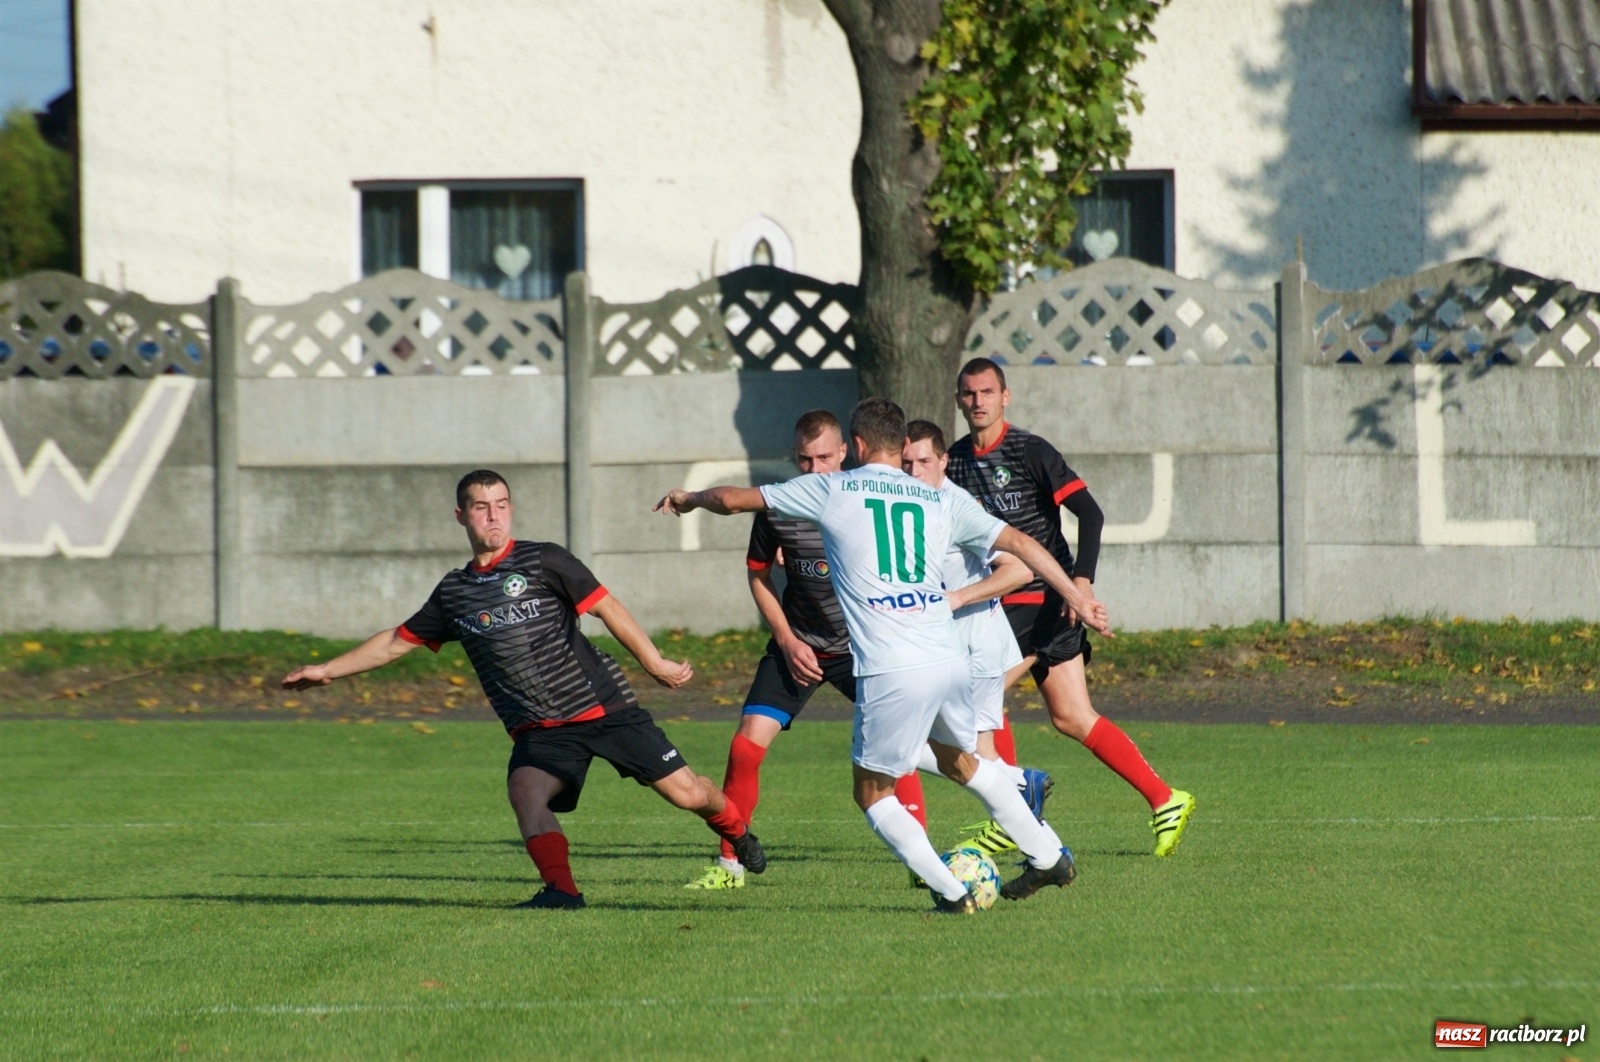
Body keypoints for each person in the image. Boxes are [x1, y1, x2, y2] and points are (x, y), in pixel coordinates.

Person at [656, 398, 1111, 913]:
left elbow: (733, 499)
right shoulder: (941, 497)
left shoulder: (834, 488)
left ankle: (951, 892)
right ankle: (1048, 855)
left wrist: (690, 497)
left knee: (872, 794)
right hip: (948, 654)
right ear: (900, 446)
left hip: (891, 665)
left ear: (855, 447)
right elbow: (1024, 545)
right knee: (962, 762)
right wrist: (1077, 596)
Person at [281, 469, 765, 910]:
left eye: (501, 504)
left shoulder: (543, 559)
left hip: (604, 709)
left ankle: (736, 831)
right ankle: (562, 891)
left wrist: (653, 661)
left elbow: (606, 606)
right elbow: (394, 642)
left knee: (687, 794)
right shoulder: (454, 592)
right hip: (540, 729)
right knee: (524, 791)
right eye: (480, 506)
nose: (493, 515)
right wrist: (326, 670)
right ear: (460, 516)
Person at [946, 358, 1196, 858]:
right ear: (959, 401)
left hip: (1041, 600)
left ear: (1005, 396)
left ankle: (1016, 807)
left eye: (987, 392)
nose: (978, 402)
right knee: (1072, 717)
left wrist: (1080, 586)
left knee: (979, 693)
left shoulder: (1030, 450)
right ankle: (1165, 798)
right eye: (970, 394)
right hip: (1007, 599)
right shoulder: (952, 461)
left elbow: (1090, 512)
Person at [684, 410, 857, 891]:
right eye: (805, 459)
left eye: (824, 457)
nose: (815, 469)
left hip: (861, 648)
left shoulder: (864, 503)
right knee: (744, 747)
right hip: (797, 643)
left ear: (845, 453)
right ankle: (729, 865)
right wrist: (786, 638)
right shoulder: (779, 507)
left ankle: (918, 865)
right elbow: (758, 575)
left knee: (906, 748)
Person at [900, 420, 1055, 848]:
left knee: (920, 745)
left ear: (944, 461)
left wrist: (958, 597)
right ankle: (1036, 832)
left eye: (924, 461)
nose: (914, 471)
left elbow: (1019, 568)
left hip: (974, 646)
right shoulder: (909, 506)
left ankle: (1035, 827)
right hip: (952, 647)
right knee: (970, 756)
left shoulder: (956, 505)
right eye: (906, 462)